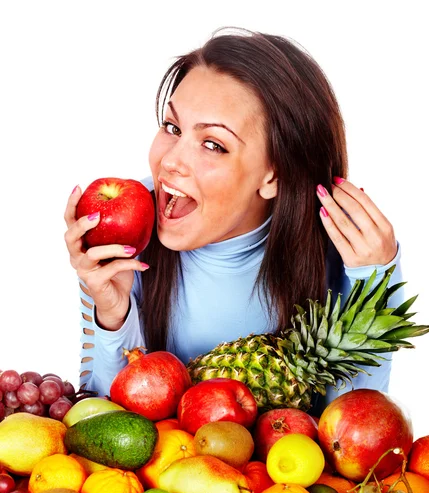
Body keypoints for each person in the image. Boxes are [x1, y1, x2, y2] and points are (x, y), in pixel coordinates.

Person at [64, 27, 402, 413]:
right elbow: (96, 423)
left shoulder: (345, 249)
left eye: (213, 144)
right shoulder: (129, 233)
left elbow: (356, 433)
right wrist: (112, 313)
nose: (170, 161)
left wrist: (376, 284)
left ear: (273, 175)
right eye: (172, 127)